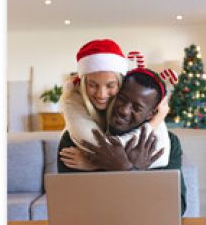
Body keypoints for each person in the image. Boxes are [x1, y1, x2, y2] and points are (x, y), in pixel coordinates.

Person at [59, 68, 187, 215]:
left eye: (137, 107)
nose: (124, 110)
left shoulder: (169, 143)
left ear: (151, 113)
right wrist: (129, 170)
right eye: (122, 99)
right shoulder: (73, 140)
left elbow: (176, 209)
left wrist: (124, 169)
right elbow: (71, 207)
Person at [58, 39, 170, 172]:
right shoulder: (70, 140)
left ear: (121, 85)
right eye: (93, 85)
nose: (101, 94)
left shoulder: (166, 138)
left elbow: (173, 190)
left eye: (110, 85)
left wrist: (95, 164)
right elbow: (69, 191)